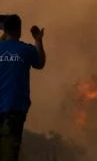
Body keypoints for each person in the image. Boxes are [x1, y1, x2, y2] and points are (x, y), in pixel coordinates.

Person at [0, 15, 45, 161]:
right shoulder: (26, 50)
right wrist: (38, 40)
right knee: (9, 153)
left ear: (4, 30)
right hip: (15, 109)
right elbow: (40, 63)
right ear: (19, 30)